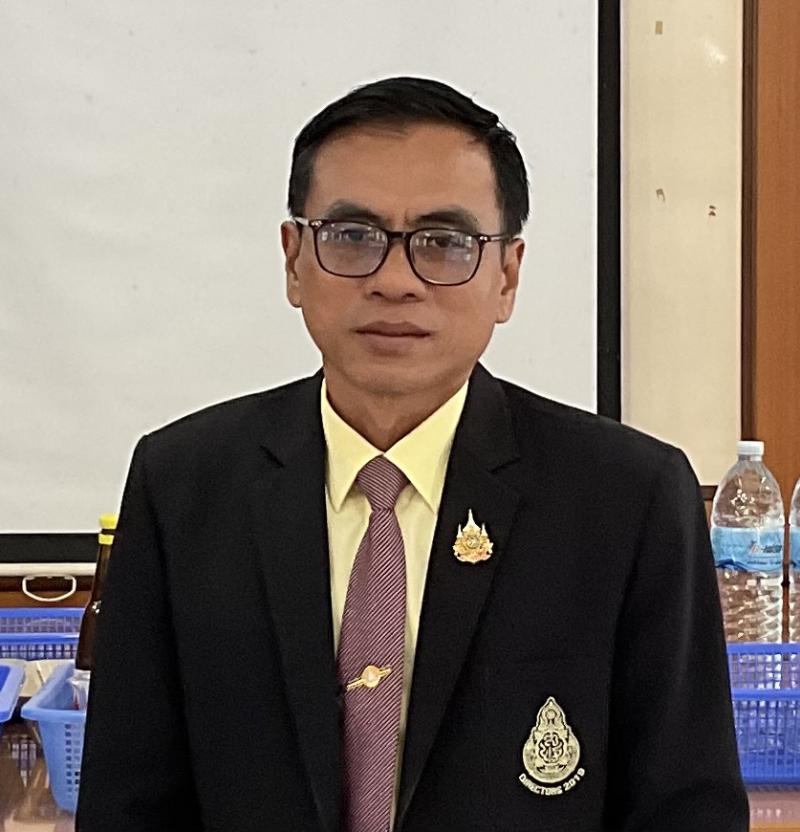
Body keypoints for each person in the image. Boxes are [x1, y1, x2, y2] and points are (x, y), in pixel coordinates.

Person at [76, 76, 748, 831]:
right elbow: (128, 806)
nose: (395, 281)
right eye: (351, 236)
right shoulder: (183, 486)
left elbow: (684, 812)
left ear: (507, 276)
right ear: (294, 260)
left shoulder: (627, 500)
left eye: (445, 242)